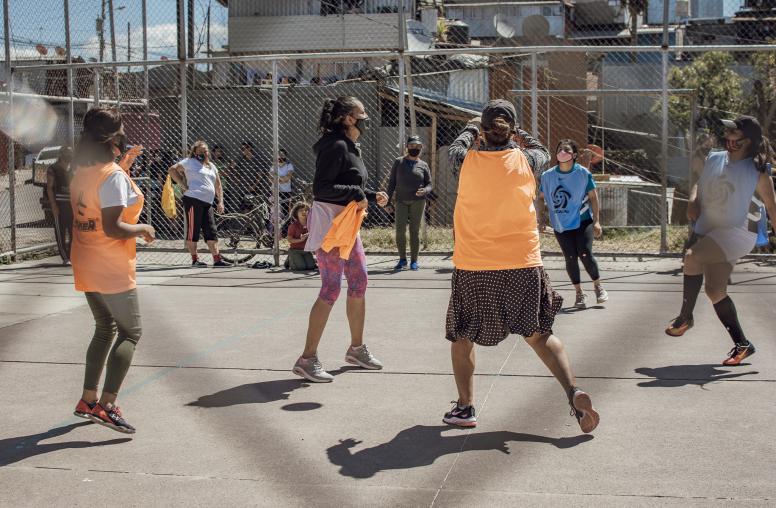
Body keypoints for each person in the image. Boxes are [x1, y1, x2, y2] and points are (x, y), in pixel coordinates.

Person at [443, 100, 599, 433]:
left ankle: (465, 408)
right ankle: (573, 391)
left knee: (462, 336)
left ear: (482, 132)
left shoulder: (465, 159)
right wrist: (518, 132)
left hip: (475, 265)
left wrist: (472, 127)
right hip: (522, 264)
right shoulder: (530, 160)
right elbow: (541, 147)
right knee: (541, 336)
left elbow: (455, 146)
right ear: (512, 131)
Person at [292, 96, 389, 383]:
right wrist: (359, 195)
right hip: (331, 229)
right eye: (362, 113)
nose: (366, 116)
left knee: (359, 281)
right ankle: (307, 359)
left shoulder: (348, 146)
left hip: (346, 226)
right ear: (348, 118)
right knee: (331, 289)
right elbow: (322, 188)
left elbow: (347, 185)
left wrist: (369, 195)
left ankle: (356, 349)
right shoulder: (335, 145)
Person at [69, 108, 154, 434]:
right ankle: (106, 404)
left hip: (87, 259)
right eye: (121, 129)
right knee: (130, 332)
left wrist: (123, 166)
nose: (125, 133)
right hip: (110, 264)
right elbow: (114, 226)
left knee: (104, 327)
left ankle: (87, 399)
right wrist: (142, 227)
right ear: (111, 138)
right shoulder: (111, 176)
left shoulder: (83, 171)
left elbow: (101, 195)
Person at [665, 116, 776, 366]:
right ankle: (743, 344)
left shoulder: (757, 173)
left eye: (734, 133)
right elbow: (699, 185)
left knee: (692, 258)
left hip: (736, 233)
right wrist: (694, 199)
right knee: (714, 290)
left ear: (748, 140)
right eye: (727, 132)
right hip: (711, 230)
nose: (728, 137)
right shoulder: (714, 158)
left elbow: (772, 208)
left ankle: (685, 317)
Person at [539, 139, 608, 309]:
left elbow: (593, 197)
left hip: (582, 220)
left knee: (584, 252)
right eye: (560, 149)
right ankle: (579, 293)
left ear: (574, 155)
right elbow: (540, 199)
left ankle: (598, 286)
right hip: (561, 223)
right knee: (570, 257)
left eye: (567, 150)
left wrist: (597, 221)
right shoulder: (548, 176)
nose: (562, 152)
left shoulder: (583, 173)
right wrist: (540, 219)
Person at [168, 141, 230, 267]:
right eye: (201, 151)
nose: (203, 153)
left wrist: (221, 201)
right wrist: (182, 184)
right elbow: (172, 170)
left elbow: (218, 185)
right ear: (195, 151)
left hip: (208, 202)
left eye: (205, 150)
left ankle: (217, 259)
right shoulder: (189, 162)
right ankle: (195, 259)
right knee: (193, 230)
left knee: (211, 230)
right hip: (193, 199)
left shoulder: (211, 166)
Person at [386, 135, 433, 271]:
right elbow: (392, 183)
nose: (414, 149)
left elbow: (429, 184)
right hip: (401, 200)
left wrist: (425, 190)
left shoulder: (424, 165)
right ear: (407, 147)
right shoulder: (398, 162)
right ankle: (402, 259)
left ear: (421, 148)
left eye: (418, 147)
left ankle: (414, 261)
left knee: (414, 231)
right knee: (400, 230)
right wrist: (388, 202)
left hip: (418, 202)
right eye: (412, 146)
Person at [46, 146, 74, 263]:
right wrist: (54, 206)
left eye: (71, 153)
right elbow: (49, 188)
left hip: (72, 205)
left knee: (74, 231)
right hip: (60, 205)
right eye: (67, 153)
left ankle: (72, 255)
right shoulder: (53, 169)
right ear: (61, 154)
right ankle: (65, 257)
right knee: (60, 232)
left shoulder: (73, 168)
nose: (70, 155)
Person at [285, 201, 317, 271]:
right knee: (300, 267)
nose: (304, 212)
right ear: (296, 213)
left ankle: (299, 260)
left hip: (306, 250)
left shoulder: (312, 224)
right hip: (295, 250)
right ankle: (290, 260)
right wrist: (300, 240)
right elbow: (289, 240)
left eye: (306, 210)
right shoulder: (293, 226)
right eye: (301, 210)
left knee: (311, 267)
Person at [275, 148, 296, 219]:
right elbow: (270, 178)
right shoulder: (274, 166)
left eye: (282, 155)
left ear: (285, 156)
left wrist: (276, 178)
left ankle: (285, 229)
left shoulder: (289, 165)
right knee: (275, 212)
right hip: (276, 191)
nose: (280, 157)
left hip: (286, 192)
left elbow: (287, 178)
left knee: (286, 212)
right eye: (279, 155)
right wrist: (282, 178)